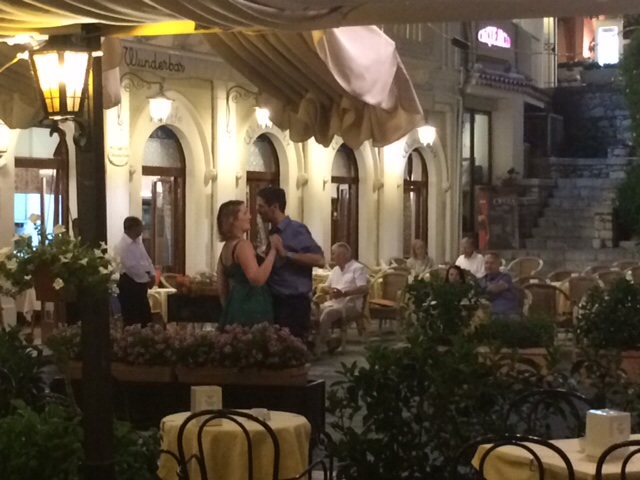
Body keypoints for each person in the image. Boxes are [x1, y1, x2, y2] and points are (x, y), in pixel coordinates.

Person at [256, 186, 325, 340]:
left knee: (293, 348)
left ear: (274, 206)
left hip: (293, 305)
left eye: (261, 206)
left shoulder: (296, 230)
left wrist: (286, 254)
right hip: (276, 301)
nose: (258, 211)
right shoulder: (272, 231)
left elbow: (320, 260)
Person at [216, 200, 281, 327]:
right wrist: (273, 251)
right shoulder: (243, 245)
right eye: (245, 213)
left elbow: (222, 286)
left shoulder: (226, 248)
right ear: (233, 220)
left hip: (235, 304)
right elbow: (257, 279)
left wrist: (231, 307)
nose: (250, 216)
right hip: (252, 305)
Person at [314, 243, 369, 355]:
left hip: (350, 305)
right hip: (333, 303)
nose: (332, 257)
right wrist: (330, 290)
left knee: (328, 313)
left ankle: (316, 345)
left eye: (334, 254)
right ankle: (329, 340)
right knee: (311, 309)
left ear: (343, 255)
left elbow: (363, 288)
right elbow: (326, 286)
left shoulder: (357, 268)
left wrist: (344, 293)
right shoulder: (335, 270)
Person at [114, 216, 155, 327]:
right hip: (130, 284)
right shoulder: (122, 246)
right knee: (132, 318)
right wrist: (146, 279)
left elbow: (147, 260)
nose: (142, 230)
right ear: (132, 228)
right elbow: (131, 267)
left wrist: (152, 274)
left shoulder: (138, 243)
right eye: (140, 227)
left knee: (145, 317)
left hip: (141, 283)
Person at [477, 252, 521, 320]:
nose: (489, 266)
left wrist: (483, 290)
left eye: (492, 263)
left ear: (499, 264)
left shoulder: (506, 277)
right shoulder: (481, 280)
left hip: (508, 315)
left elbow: (496, 289)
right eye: (486, 263)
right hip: (490, 315)